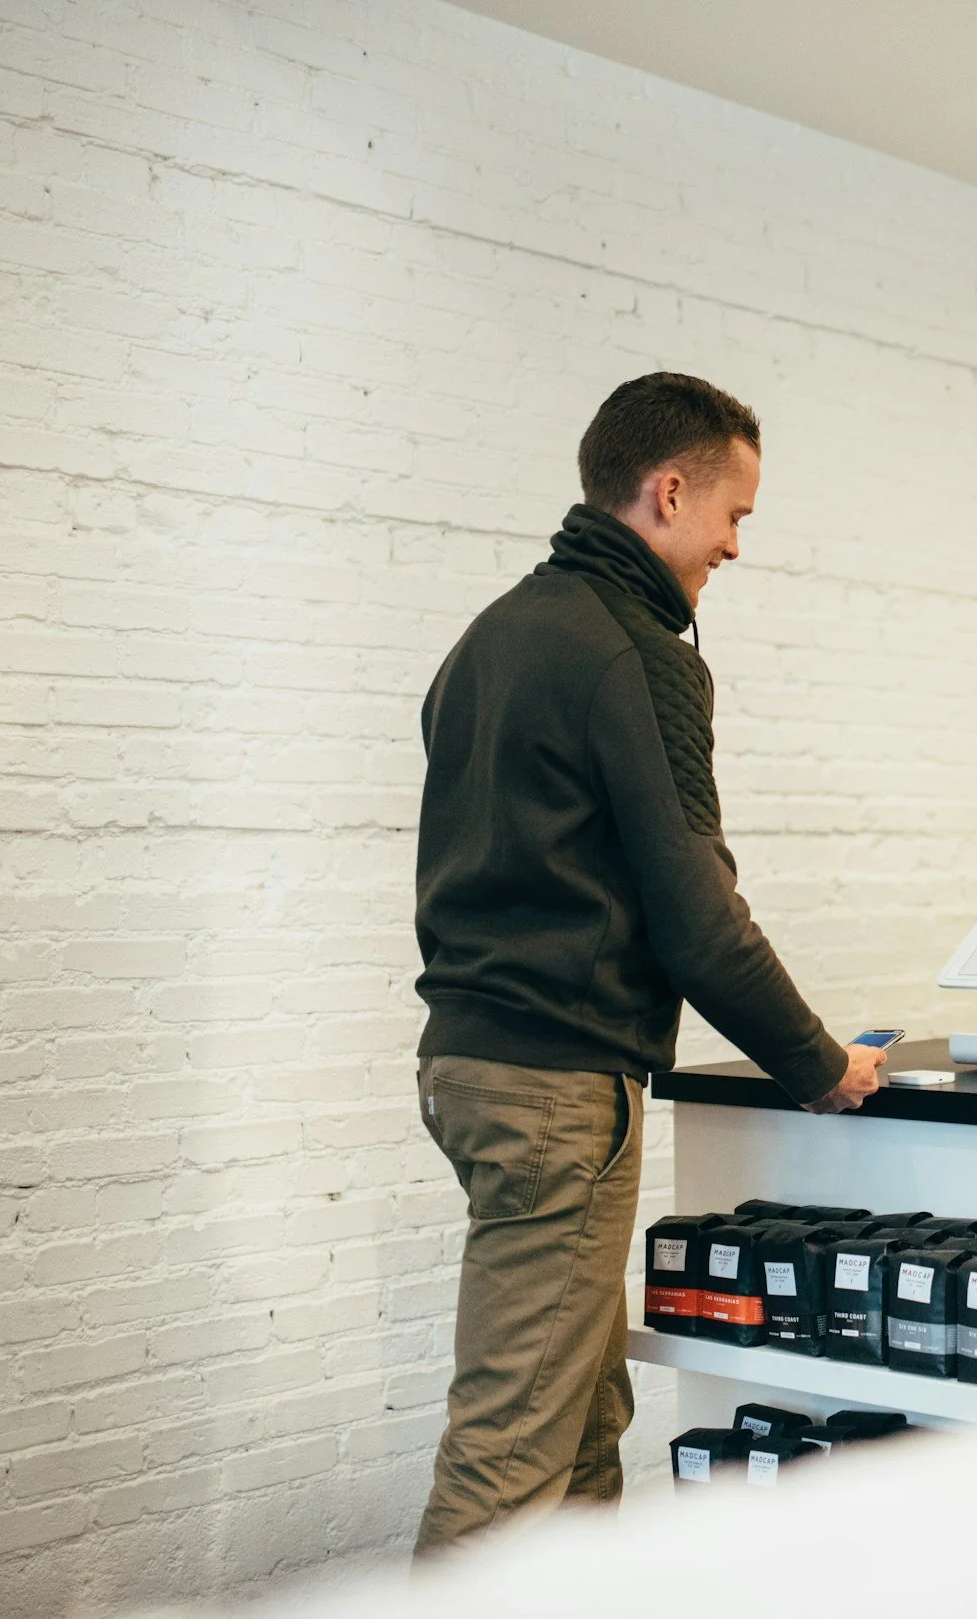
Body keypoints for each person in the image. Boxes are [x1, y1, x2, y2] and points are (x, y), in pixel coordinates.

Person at [410, 372, 884, 1552]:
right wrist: (820, 1064)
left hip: (468, 1066)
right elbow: (697, 913)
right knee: (512, 1446)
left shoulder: (490, 637)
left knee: (580, 1419)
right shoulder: (638, 654)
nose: (732, 544)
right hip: (560, 1089)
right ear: (668, 492)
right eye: (733, 516)